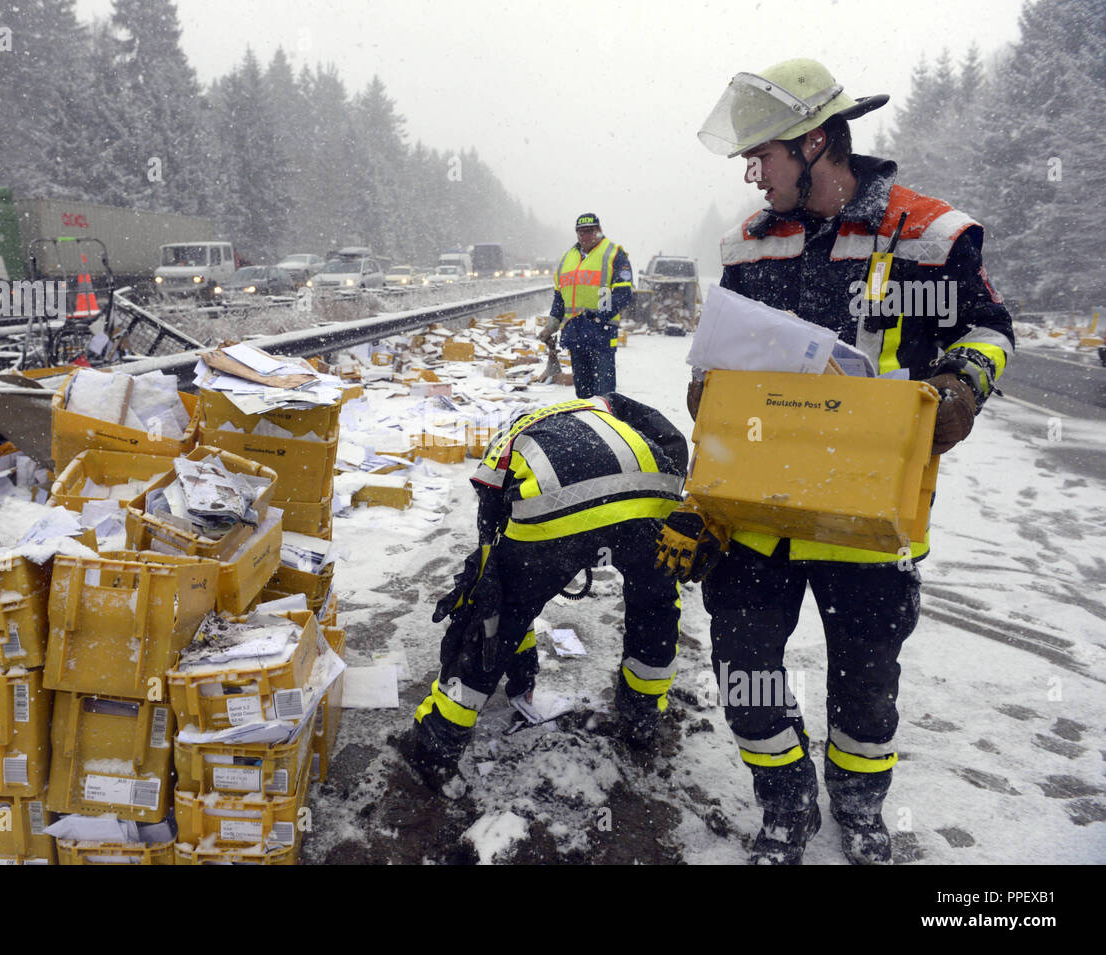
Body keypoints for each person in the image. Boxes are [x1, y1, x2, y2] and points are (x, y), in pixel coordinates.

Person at [691, 58, 1014, 864]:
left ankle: (860, 807)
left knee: (866, 691)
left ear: (818, 142)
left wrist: (961, 385)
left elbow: (990, 329)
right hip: (758, 511)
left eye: (763, 153)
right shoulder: (752, 244)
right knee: (745, 669)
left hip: (867, 517)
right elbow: (720, 355)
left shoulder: (925, 236)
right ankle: (787, 799)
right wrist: (706, 394)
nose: (750, 170)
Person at [395, 393, 704, 796]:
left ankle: (438, 742)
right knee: (656, 606)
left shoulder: (508, 442)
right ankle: (641, 717)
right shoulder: (608, 405)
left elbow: (494, 551)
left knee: (500, 609)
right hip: (650, 496)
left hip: (553, 506)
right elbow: (672, 439)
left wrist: (496, 601)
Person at [539, 214, 634, 398]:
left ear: (599, 231)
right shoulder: (567, 258)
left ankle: (605, 424)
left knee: (604, 394)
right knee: (583, 392)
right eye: (581, 232)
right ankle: (589, 424)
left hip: (602, 334)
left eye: (590, 231)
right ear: (576, 234)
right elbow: (560, 297)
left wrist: (600, 316)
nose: (585, 236)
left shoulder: (614, 254)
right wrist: (552, 324)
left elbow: (624, 293)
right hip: (575, 335)